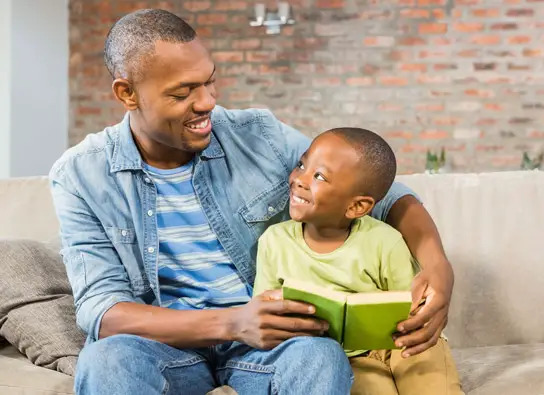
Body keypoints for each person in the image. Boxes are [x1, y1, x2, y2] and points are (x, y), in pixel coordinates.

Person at [49, 8, 455, 395]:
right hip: (167, 345)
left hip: (266, 344)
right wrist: (231, 323)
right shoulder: (80, 175)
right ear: (127, 94)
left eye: (209, 81)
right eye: (183, 92)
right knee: (106, 361)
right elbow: (102, 310)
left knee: (319, 355)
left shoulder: (258, 134)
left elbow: (387, 197)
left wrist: (438, 267)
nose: (207, 101)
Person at [253, 128, 463, 395]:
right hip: (347, 358)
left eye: (318, 176)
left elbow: (410, 305)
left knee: (430, 381)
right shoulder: (274, 241)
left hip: (402, 346)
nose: (299, 180)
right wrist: (275, 302)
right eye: (301, 165)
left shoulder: (385, 240)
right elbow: (262, 310)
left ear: (357, 207)